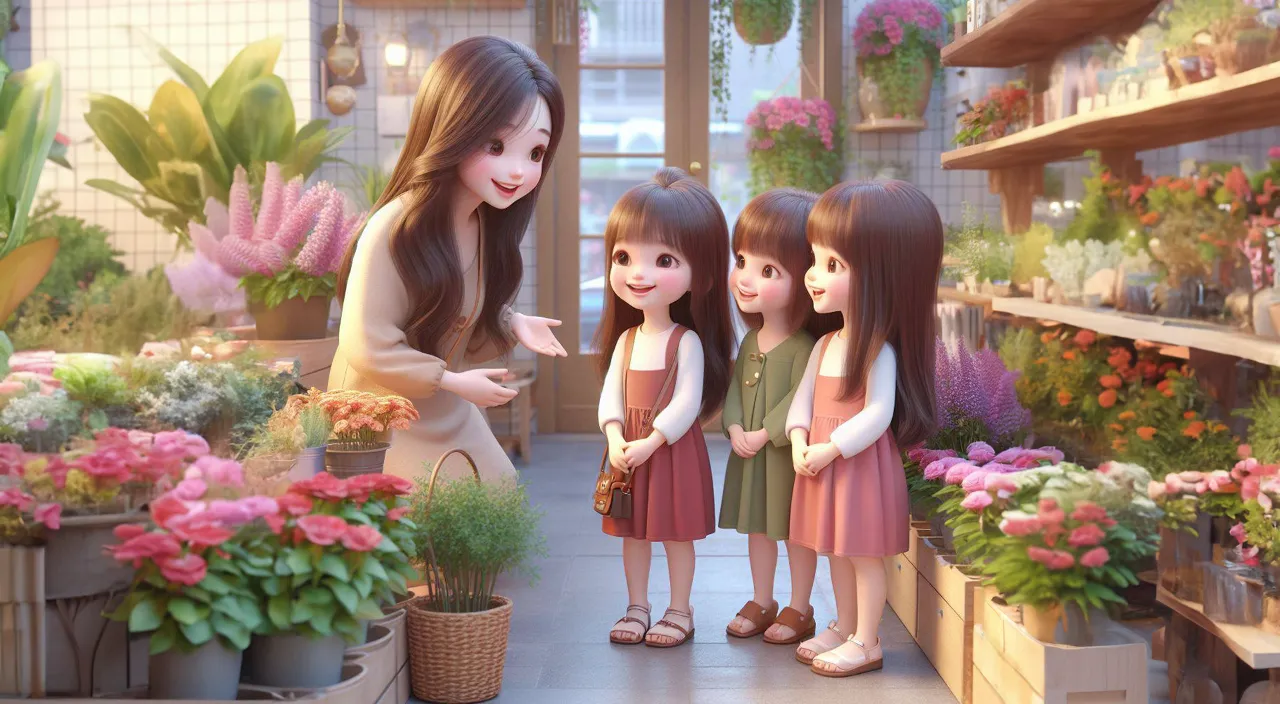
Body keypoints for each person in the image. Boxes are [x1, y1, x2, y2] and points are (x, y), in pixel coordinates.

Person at [330, 36, 567, 483]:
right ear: (451, 130)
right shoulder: (395, 228)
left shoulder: (480, 225)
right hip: (381, 414)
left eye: (535, 153)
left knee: (498, 487)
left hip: (442, 405)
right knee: (430, 517)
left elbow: (452, 310)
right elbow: (367, 344)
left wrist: (510, 320)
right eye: (496, 146)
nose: (518, 170)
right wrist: (455, 383)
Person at [785, 180, 943, 677]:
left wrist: (831, 447)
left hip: (856, 467)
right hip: (821, 464)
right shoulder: (826, 344)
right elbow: (802, 402)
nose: (814, 276)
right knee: (833, 547)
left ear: (882, 276)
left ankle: (867, 640)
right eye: (814, 260)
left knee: (863, 555)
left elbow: (877, 415)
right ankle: (844, 622)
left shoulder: (878, 351)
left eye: (833, 266)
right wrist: (796, 438)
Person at [595, 167, 734, 648]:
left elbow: (687, 401)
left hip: (669, 449)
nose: (638, 273)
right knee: (633, 533)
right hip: (627, 451)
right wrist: (615, 437)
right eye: (624, 256)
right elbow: (611, 392)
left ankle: (680, 609)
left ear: (704, 274)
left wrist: (652, 440)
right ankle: (637, 605)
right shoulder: (627, 340)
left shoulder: (687, 341)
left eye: (664, 260)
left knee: (675, 533)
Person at [719, 189, 838, 644]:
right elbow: (733, 390)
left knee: (795, 533)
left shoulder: (807, 347)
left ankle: (800, 605)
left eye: (768, 270)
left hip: (785, 458)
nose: (746, 279)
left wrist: (766, 433)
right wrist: (733, 426)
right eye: (742, 260)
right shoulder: (750, 342)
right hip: (750, 459)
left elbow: (800, 400)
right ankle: (762, 597)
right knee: (757, 529)